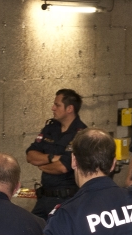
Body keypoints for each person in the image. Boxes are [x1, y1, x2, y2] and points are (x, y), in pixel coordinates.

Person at [25, 89, 88, 220]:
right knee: (32, 229)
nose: (53, 108)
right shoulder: (51, 128)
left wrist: (41, 165)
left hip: (66, 199)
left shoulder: (81, 134)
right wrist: (51, 158)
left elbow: (62, 167)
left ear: (69, 108)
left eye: (57, 105)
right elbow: (30, 155)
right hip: (44, 197)